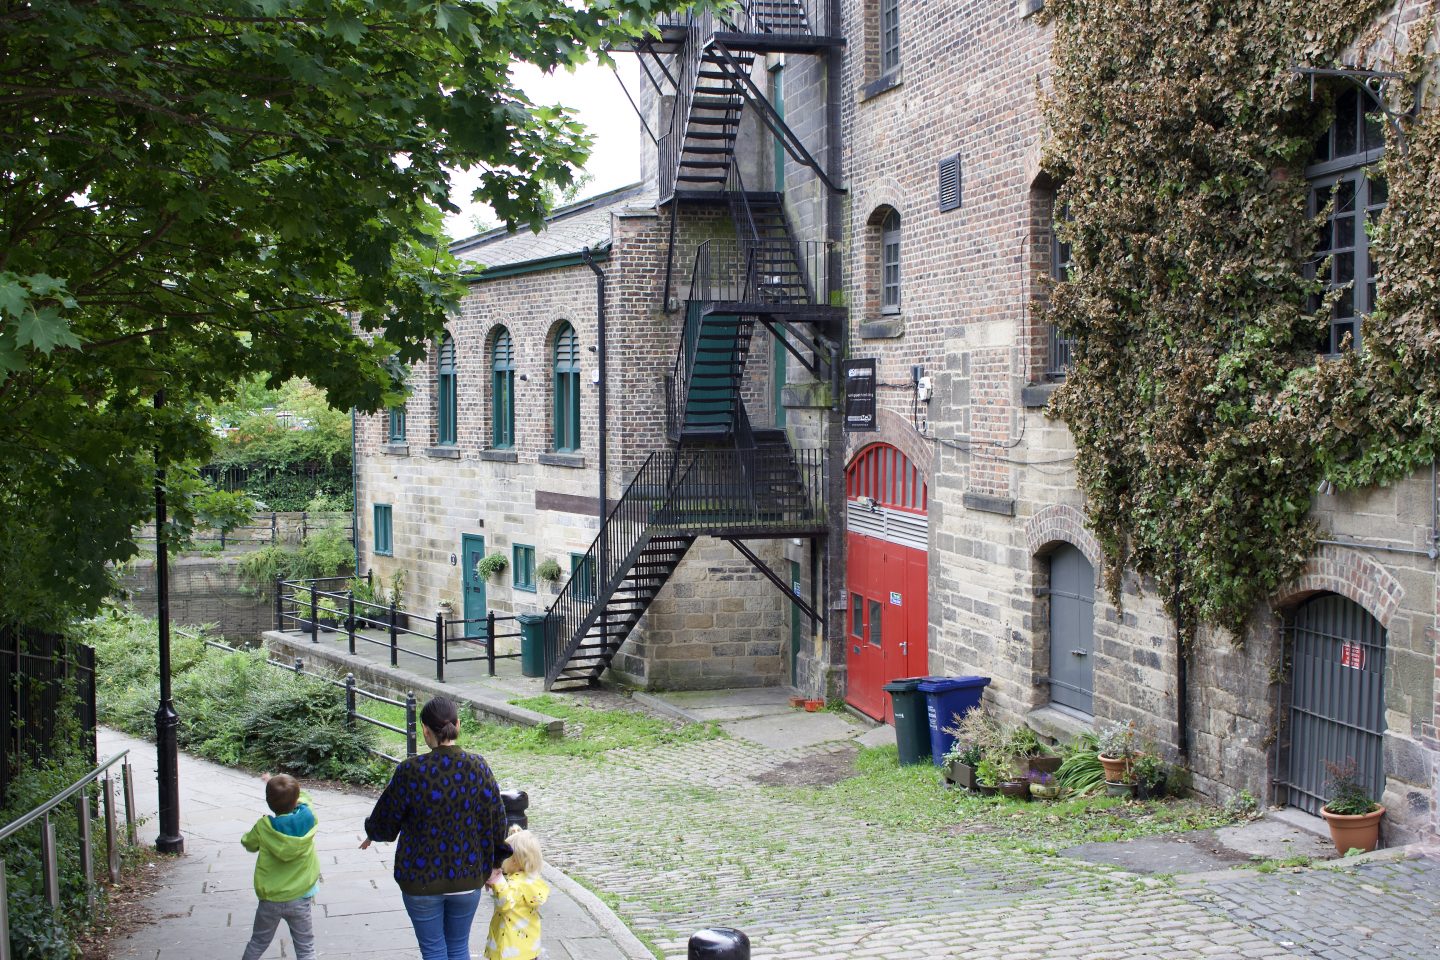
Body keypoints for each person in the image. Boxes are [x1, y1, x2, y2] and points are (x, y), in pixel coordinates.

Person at [362, 696, 512, 960]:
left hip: (420, 879)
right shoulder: (478, 767)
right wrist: (496, 862)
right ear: (458, 724)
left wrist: (373, 833)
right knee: (457, 948)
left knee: (433, 950)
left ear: (424, 730)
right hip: (467, 875)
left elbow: (387, 818)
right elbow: (496, 820)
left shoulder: (411, 771)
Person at [240, 772, 319, 960]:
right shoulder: (309, 817)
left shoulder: (264, 827)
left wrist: (272, 786)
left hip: (271, 898)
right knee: (306, 948)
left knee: (258, 942)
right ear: (296, 799)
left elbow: (248, 844)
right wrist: (287, 789)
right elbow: (305, 798)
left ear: (268, 802)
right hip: (301, 897)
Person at [483, 825, 550, 960]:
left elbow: (505, 904)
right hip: (528, 946)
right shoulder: (531, 880)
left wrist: (497, 880)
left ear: (514, 860)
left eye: (504, 856)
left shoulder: (516, 883)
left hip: (509, 948)